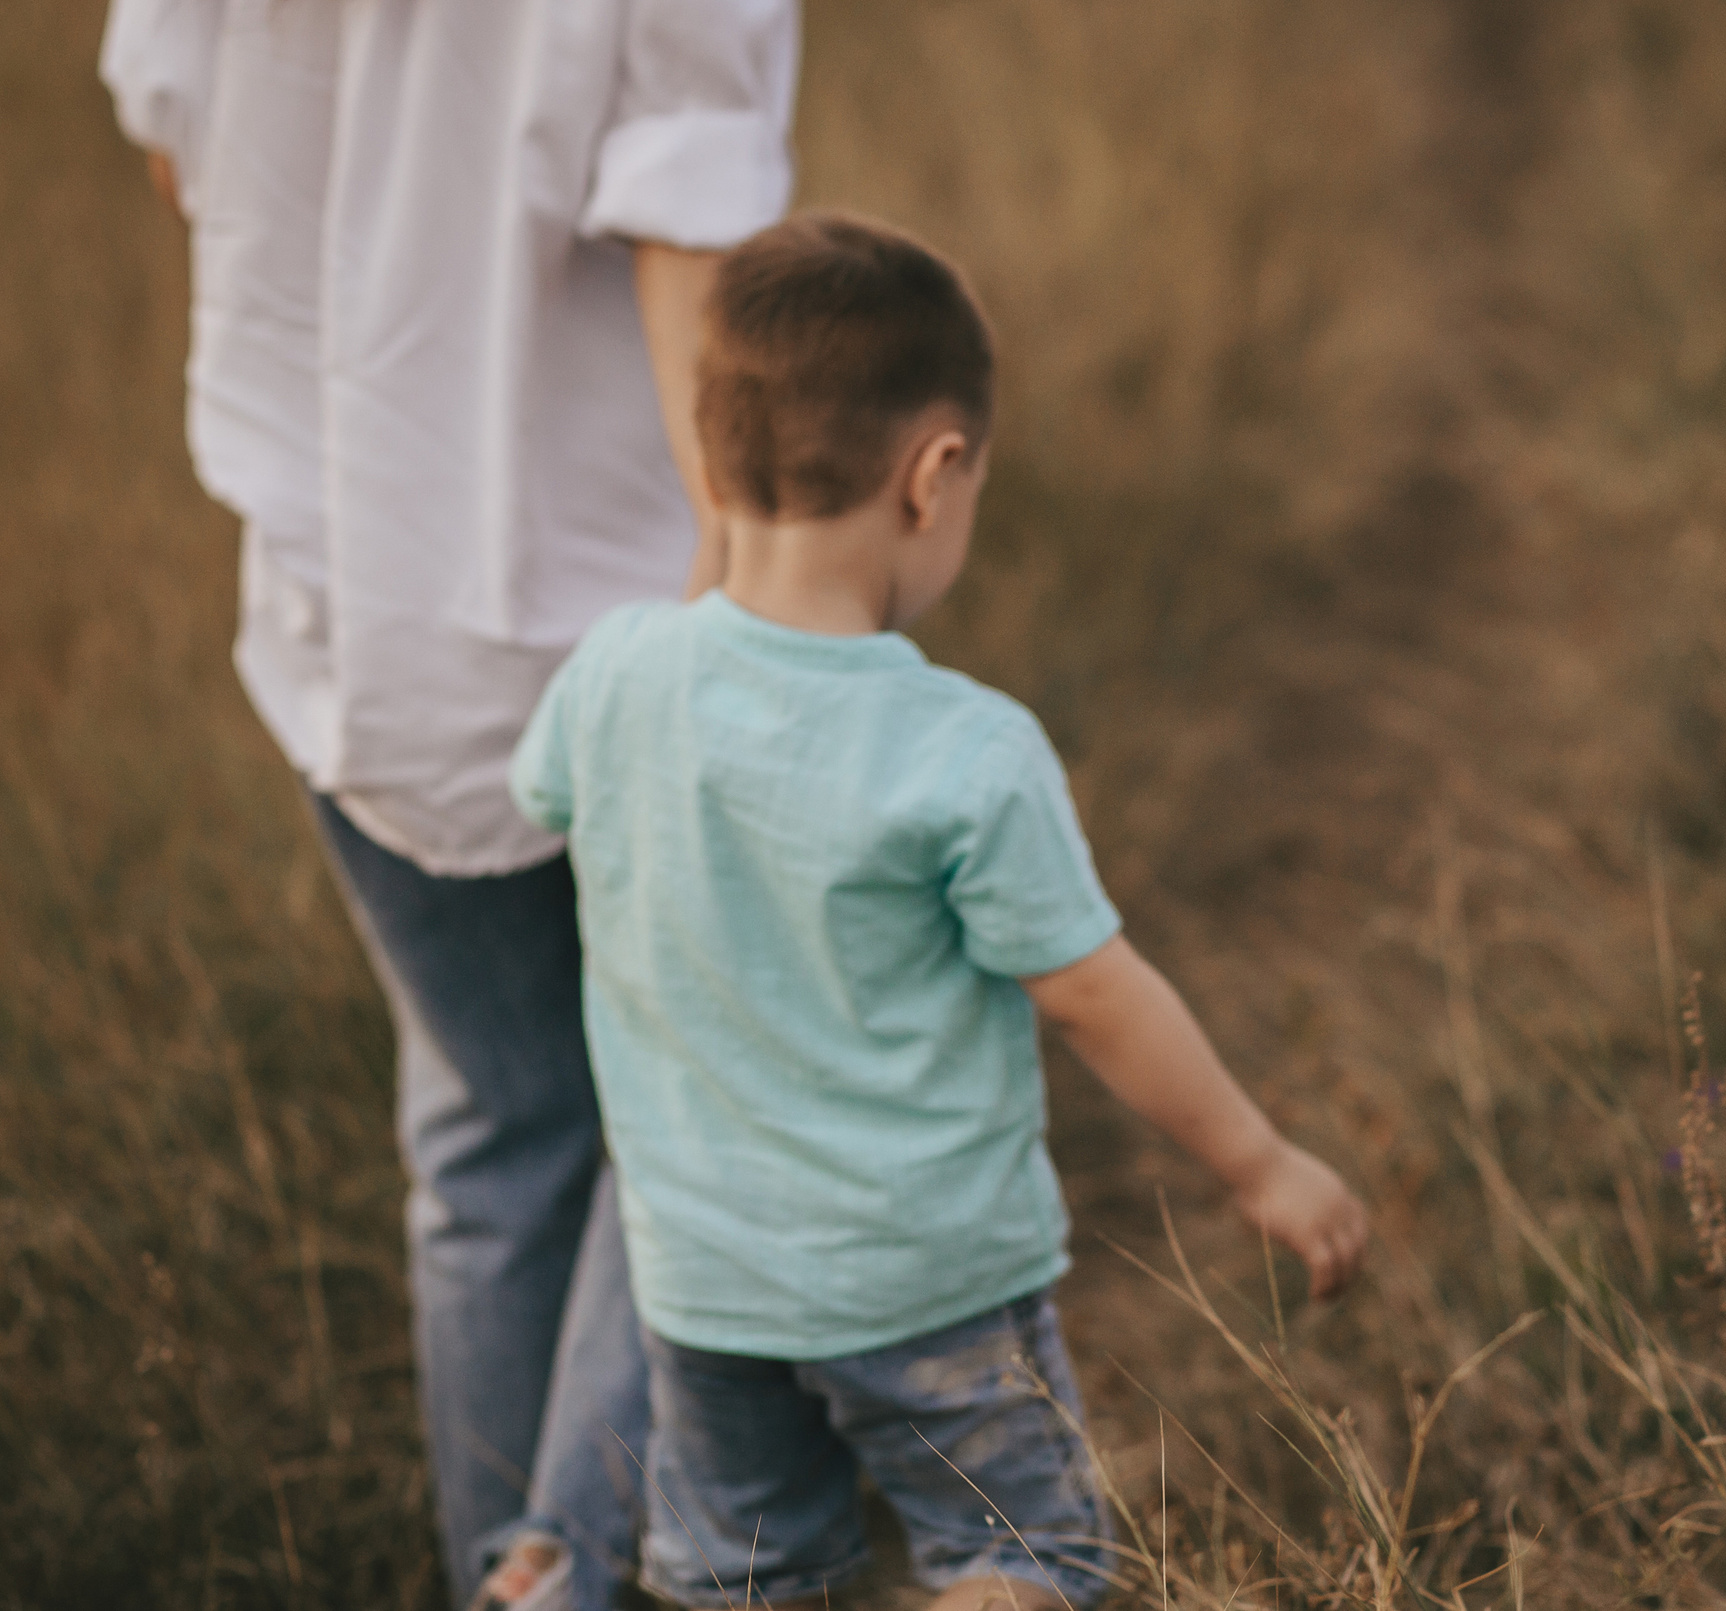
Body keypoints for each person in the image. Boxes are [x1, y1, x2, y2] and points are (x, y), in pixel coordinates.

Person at [506, 214, 1372, 1611]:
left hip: (704, 1285)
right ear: (933, 476)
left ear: (711, 459)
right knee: (1024, 1557)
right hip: (928, 1280)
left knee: (749, 1579)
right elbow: (1090, 992)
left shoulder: (613, 677)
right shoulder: (965, 751)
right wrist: (1258, 1162)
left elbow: (545, 794)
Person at [98, 3, 799, 1607]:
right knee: (703, 1091)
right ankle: (566, 1567)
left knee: (493, 1134)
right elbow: (691, 204)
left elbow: (175, 145)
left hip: (341, 600)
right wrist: (739, 577)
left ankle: (513, 1564)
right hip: (620, 575)